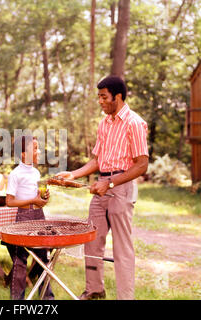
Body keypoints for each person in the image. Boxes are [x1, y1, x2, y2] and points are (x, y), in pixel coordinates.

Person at [57, 75, 149, 300]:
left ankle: (125, 298)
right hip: (101, 186)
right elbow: (97, 160)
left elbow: (142, 164)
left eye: (103, 97)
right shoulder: (104, 123)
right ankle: (95, 290)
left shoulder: (134, 123)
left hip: (122, 187)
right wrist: (73, 174)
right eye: (98, 97)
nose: (100, 101)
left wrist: (110, 183)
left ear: (117, 97)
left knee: (122, 247)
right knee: (92, 240)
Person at [5, 135, 54, 300]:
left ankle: (47, 298)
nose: (39, 151)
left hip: (38, 216)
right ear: (24, 154)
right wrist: (32, 200)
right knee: (20, 262)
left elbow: (38, 200)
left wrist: (42, 198)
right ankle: (17, 300)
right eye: (35, 148)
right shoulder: (15, 174)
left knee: (43, 259)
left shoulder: (36, 172)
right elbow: (9, 201)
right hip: (23, 217)